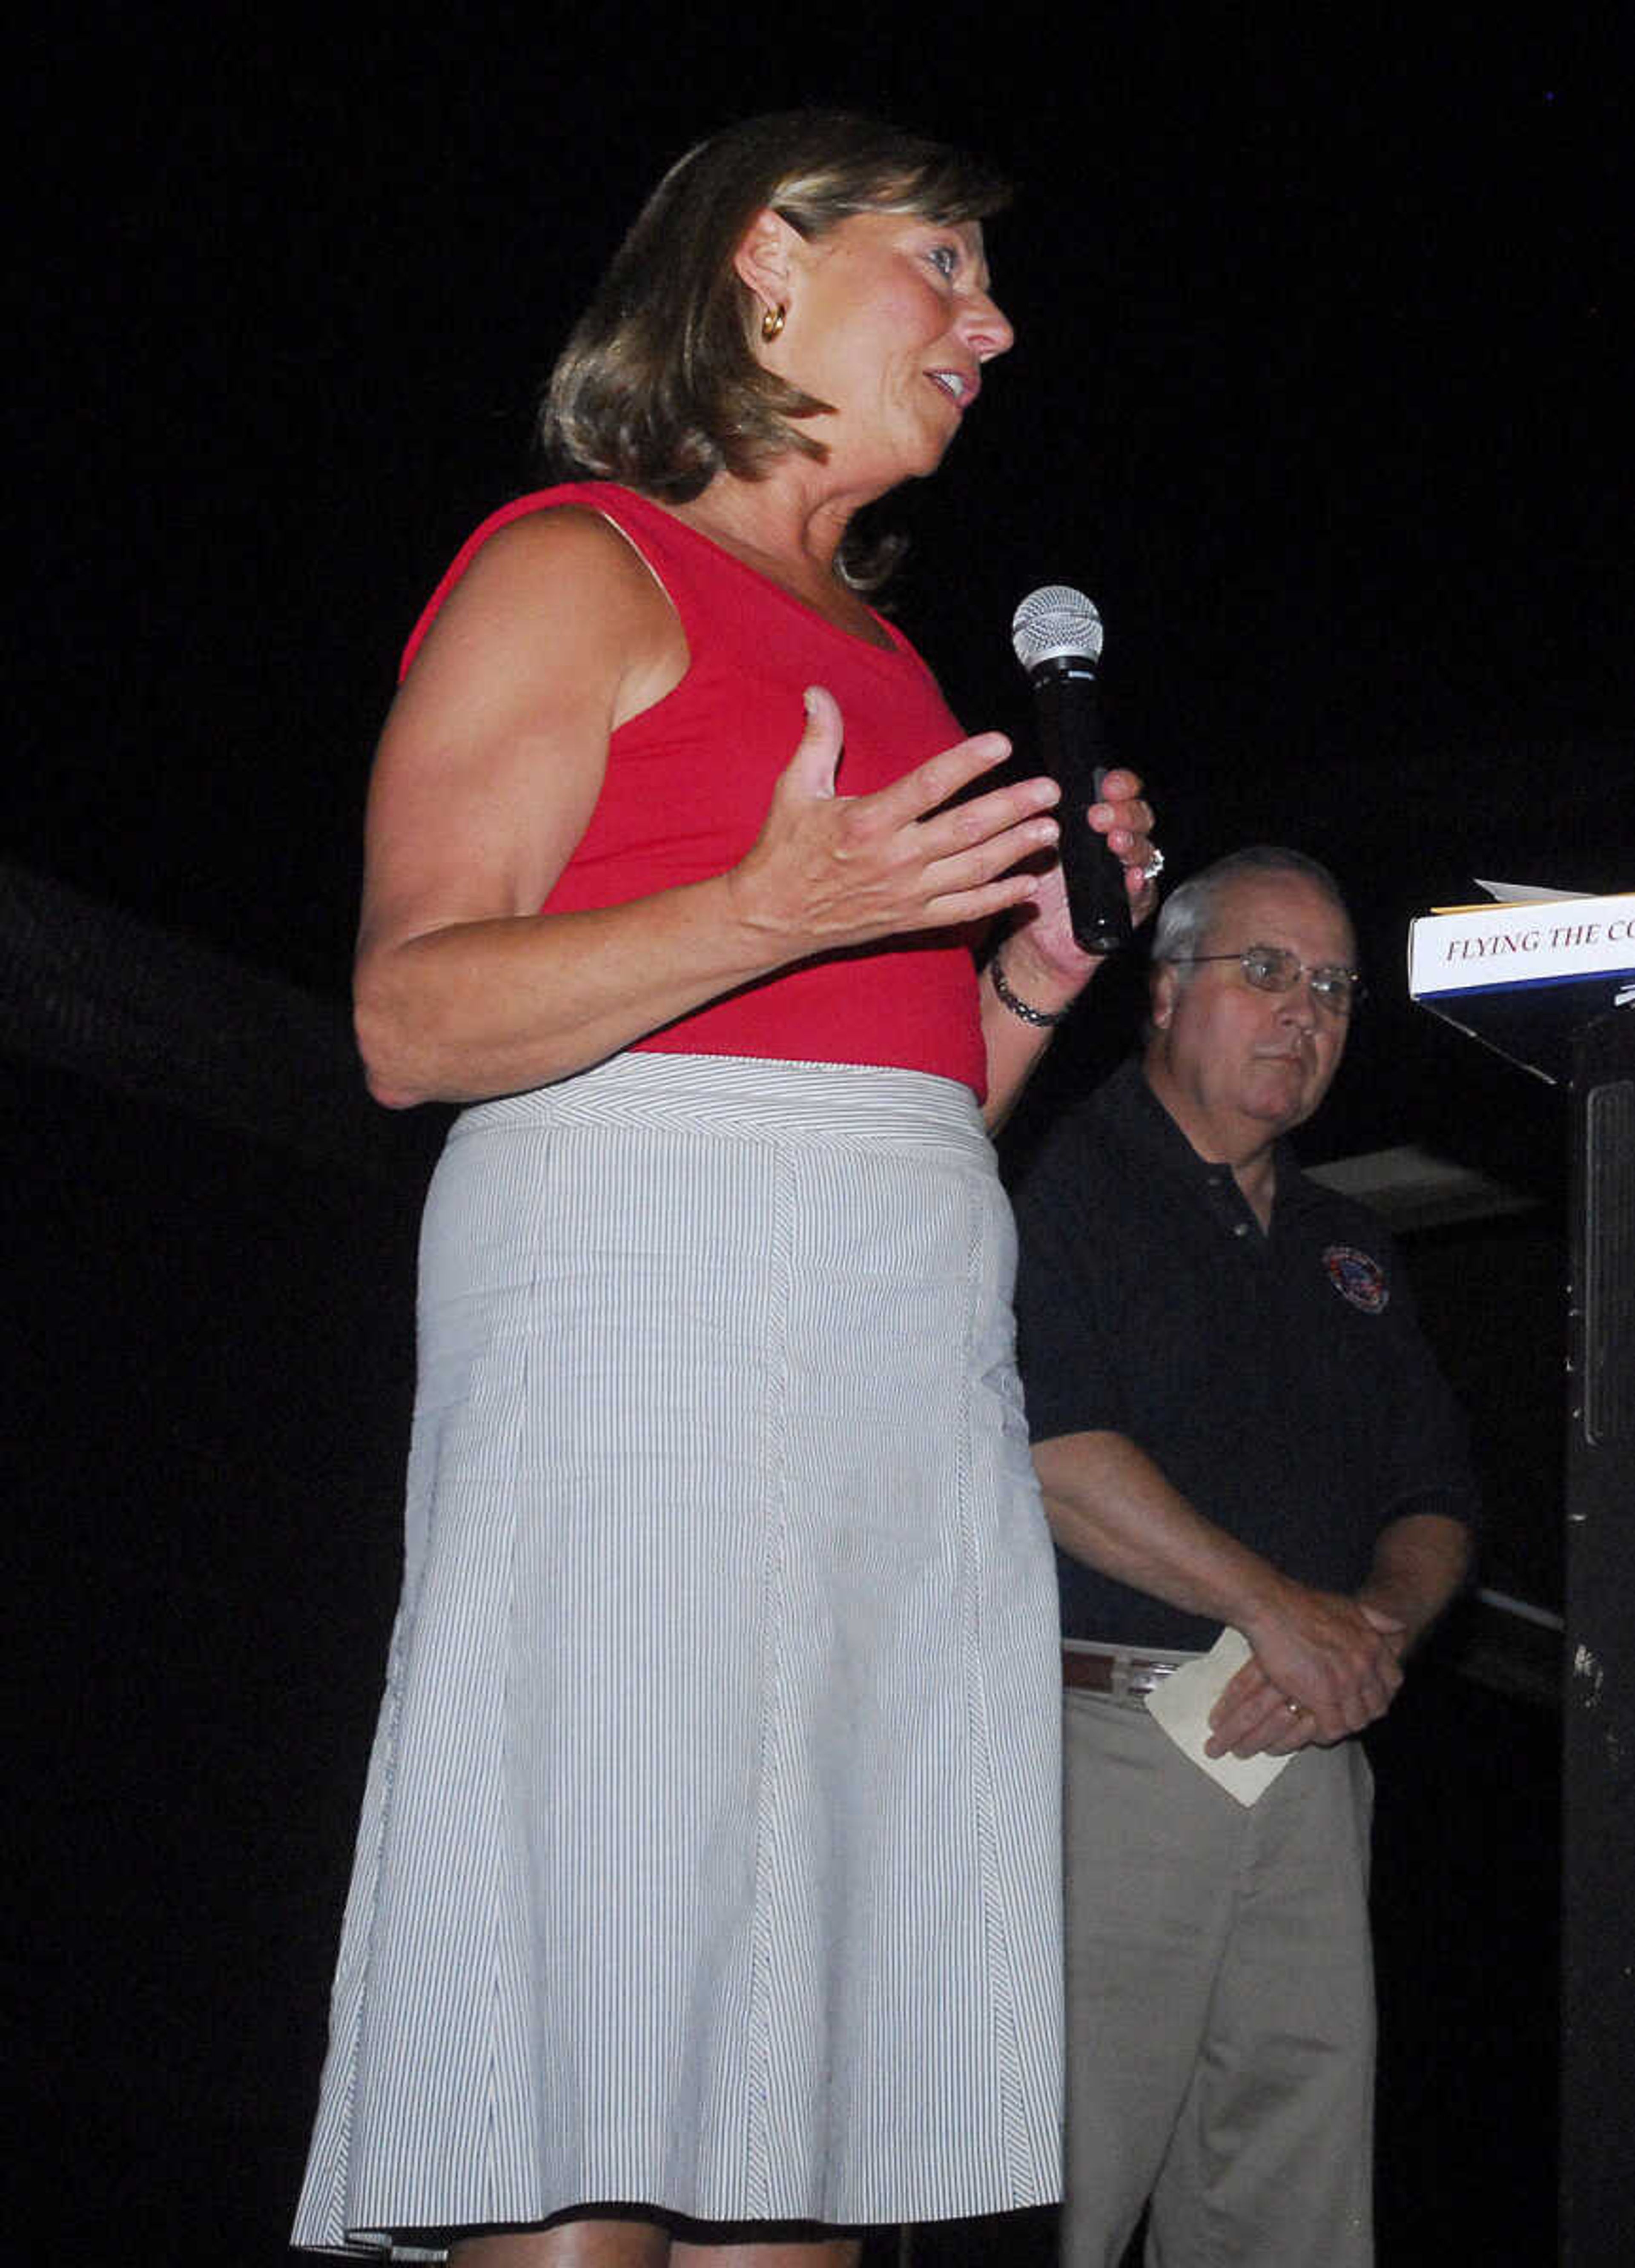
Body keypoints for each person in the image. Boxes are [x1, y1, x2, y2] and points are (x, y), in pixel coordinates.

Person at [291, 112, 1159, 2268]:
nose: (994, 321)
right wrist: (774, 904)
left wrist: (1037, 982)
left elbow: (904, 1096)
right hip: (646, 1326)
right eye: (940, 262)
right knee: (595, 2018)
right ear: (766, 259)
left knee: (816, 2092)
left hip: (888, 1360)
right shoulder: (574, 561)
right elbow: (412, 1020)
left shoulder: (894, 663)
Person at [1011, 847, 1478, 2268]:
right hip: (1106, 1739)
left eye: (1334, 987)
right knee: (1063, 2185)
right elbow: (1052, 1456)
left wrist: (1365, 1634)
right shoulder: (1052, 1175)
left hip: (1315, 1750)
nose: (1305, 1013)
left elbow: (1438, 1495)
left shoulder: (1351, 1244)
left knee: (1293, 2194)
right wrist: (1282, 1616)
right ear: (1162, 994)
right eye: (1264, 971)